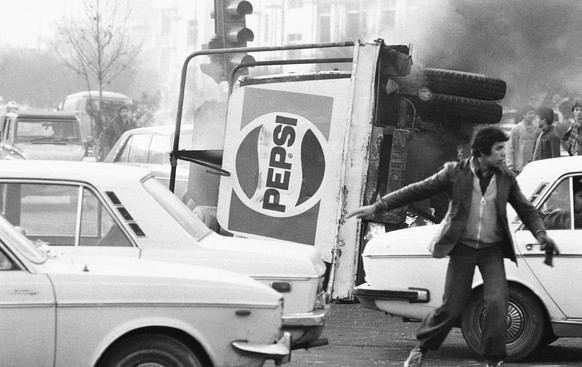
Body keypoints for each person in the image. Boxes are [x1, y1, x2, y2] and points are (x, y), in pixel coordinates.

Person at [346, 126, 558, 367]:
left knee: (498, 304)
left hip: (492, 250)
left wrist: (540, 233)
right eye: (499, 149)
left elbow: (526, 209)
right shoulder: (455, 173)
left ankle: (493, 360)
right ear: (482, 152)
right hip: (463, 249)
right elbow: (418, 190)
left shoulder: (505, 177)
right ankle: (421, 349)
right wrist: (379, 206)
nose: (503, 154)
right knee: (451, 308)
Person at [506, 105, 540, 174]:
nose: (532, 115)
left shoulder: (537, 130)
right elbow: (510, 148)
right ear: (523, 115)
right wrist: (510, 166)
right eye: (530, 113)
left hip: (532, 166)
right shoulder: (516, 129)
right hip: (518, 167)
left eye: (533, 113)